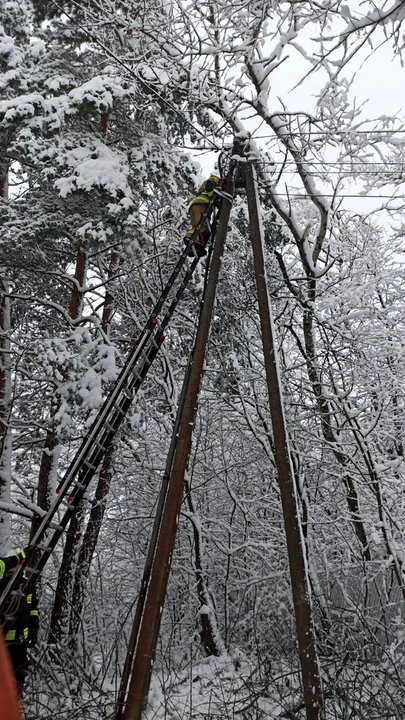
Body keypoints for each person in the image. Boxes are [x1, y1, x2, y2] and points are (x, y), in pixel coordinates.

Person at [0, 548, 38, 694]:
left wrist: (34, 628)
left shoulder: (27, 585)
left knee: (19, 677)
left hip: (21, 640)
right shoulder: (2, 584)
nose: (13, 569)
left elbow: (33, 608)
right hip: (4, 641)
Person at [184, 174, 221, 257]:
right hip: (202, 205)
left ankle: (195, 246)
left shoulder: (203, 187)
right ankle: (188, 239)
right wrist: (214, 195)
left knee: (199, 228)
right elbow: (209, 187)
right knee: (200, 227)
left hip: (194, 207)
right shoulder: (213, 181)